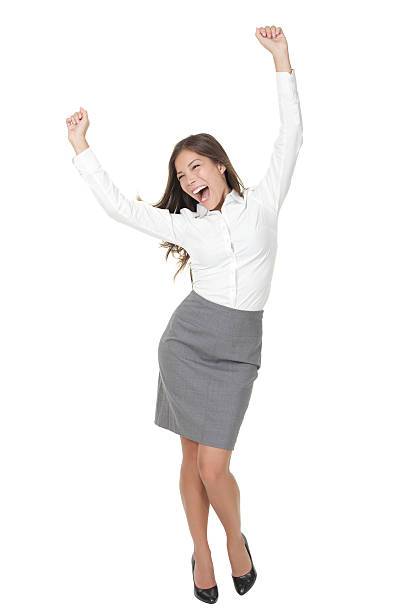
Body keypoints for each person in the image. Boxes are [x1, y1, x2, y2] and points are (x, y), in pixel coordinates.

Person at [66, 24, 303, 604]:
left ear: (220, 165)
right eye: (181, 175)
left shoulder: (264, 200)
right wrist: (82, 148)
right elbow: (120, 208)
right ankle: (202, 551)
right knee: (192, 457)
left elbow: (291, 134)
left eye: (197, 166)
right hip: (187, 343)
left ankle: (235, 544)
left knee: (215, 466)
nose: (190, 180)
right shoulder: (185, 225)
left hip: (239, 348)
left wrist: (281, 60)